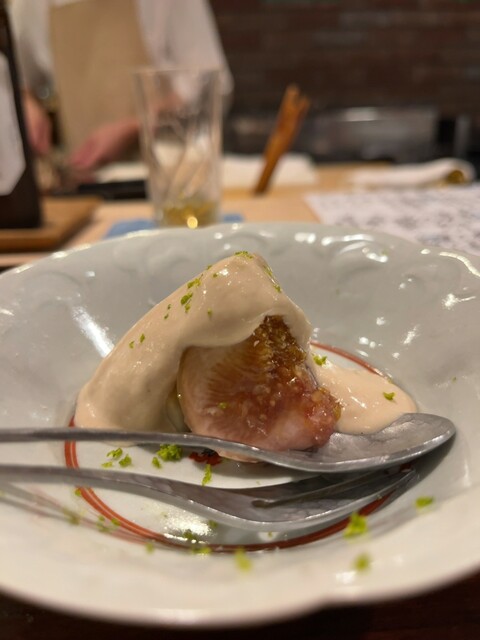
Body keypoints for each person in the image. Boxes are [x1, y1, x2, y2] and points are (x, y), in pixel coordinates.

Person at [9, 0, 233, 171]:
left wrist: (136, 126)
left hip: (172, 176)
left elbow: (212, 83)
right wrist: (24, 103)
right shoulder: (29, 5)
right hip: (83, 182)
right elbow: (14, 77)